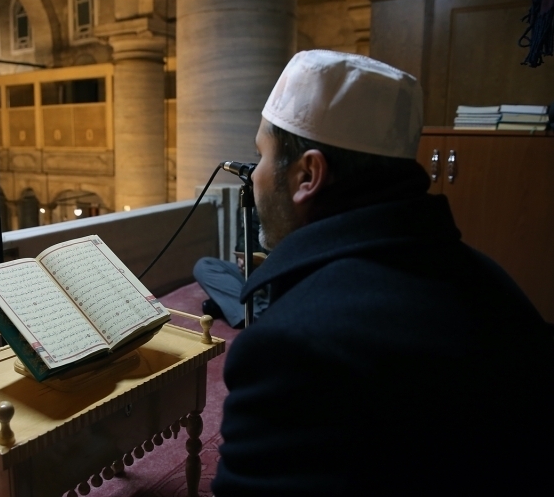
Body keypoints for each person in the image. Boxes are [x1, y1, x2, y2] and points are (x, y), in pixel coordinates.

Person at [212, 50, 554, 496]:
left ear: (307, 175)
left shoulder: (290, 350)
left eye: (262, 155)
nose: (253, 175)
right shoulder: (495, 286)